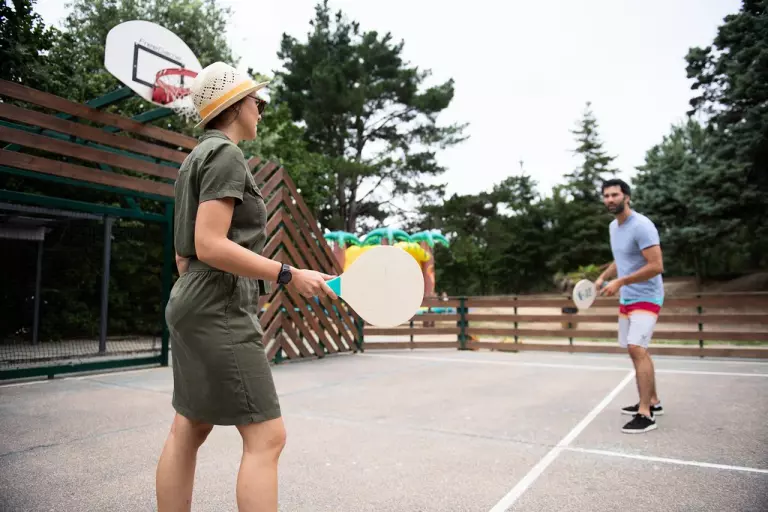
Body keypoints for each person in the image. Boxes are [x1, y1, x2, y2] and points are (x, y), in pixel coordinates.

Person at [156, 61, 337, 512]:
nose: (262, 109)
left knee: (189, 427)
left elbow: (185, 255)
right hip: (218, 303)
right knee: (267, 436)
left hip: (191, 297)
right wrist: (287, 274)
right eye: (258, 101)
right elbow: (210, 243)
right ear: (235, 105)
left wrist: (203, 291)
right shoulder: (226, 155)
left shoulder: (195, 158)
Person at [595, 178, 664, 434]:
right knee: (636, 350)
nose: (610, 199)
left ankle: (645, 414)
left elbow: (656, 266)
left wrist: (621, 281)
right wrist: (604, 277)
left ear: (627, 197)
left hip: (647, 295)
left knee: (636, 347)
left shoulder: (642, 226)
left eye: (614, 194)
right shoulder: (614, 227)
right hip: (628, 298)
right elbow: (621, 258)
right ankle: (653, 400)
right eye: (606, 196)